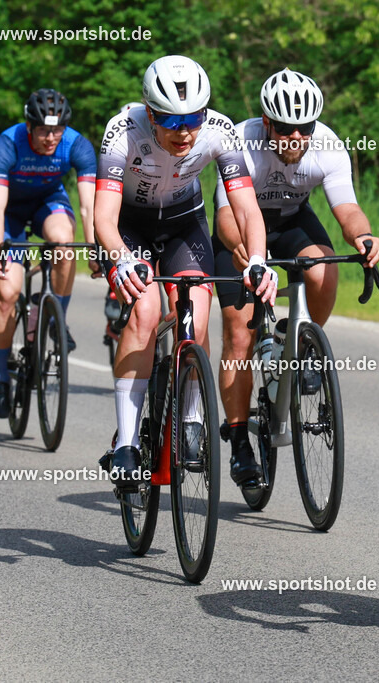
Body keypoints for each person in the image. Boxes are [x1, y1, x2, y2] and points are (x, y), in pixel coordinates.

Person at [95, 54, 277, 485]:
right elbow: (103, 217)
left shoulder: (219, 130)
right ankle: (126, 441)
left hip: (183, 221)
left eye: (194, 118)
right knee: (145, 312)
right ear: (150, 114)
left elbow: (246, 206)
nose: (185, 131)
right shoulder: (122, 131)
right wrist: (120, 257)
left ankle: (193, 417)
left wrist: (257, 259)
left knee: (195, 314)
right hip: (128, 226)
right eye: (172, 121)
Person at [213, 68, 379, 486]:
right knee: (239, 334)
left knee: (322, 266)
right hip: (239, 225)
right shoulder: (241, 142)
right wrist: (252, 254)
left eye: (303, 129)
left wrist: (363, 237)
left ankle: (300, 340)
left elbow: (347, 210)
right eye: (286, 130)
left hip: (291, 222)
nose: (295, 139)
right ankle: (238, 439)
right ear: (267, 123)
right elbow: (223, 217)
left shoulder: (327, 146)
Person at [0, 89, 96, 418]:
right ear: (29, 126)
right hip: (10, 213)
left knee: (64, 242)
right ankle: (0, 377)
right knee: (7, 293)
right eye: (44, 131)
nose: (50, 138)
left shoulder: (77, 144)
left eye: (56, 131)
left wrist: (92, 248)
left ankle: (53, 318)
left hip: (48, 202)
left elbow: (88, 207)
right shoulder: (7, 144)